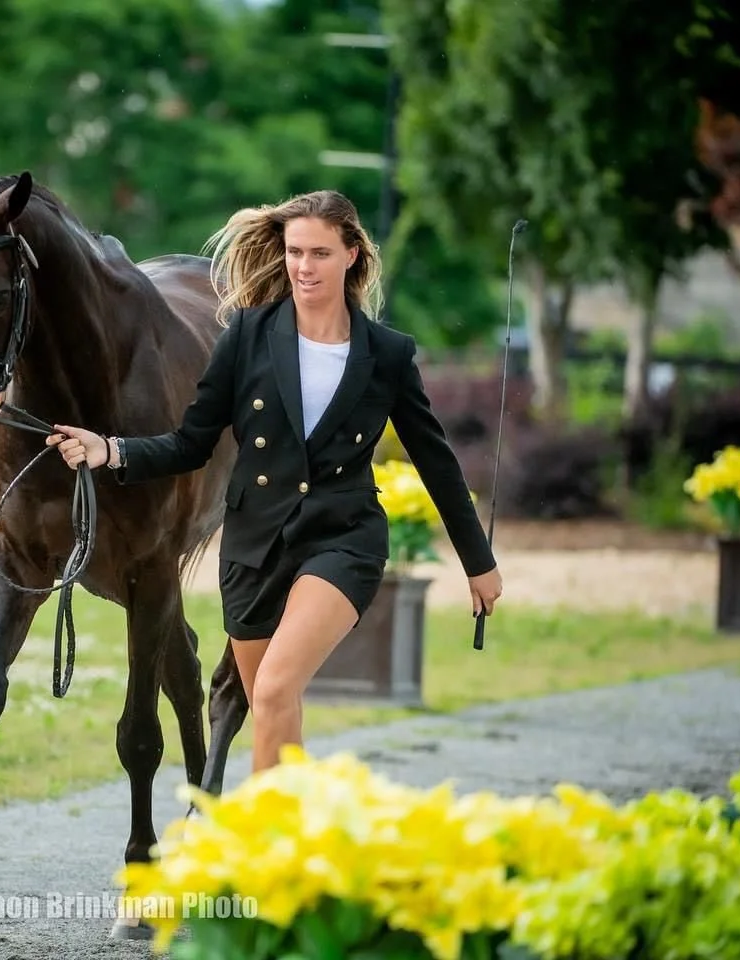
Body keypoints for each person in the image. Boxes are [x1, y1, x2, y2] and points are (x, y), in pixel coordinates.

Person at [46, 190, 503, 774]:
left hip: (342, 537)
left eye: (319, 253)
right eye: (294, 253)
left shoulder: (387, 354)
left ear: (353, 256)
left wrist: (477, 561)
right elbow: (191, 443)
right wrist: (109, 450)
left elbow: (435, 459)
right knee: (273, 708)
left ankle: (261, 854)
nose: (304, 267)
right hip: (254, 547)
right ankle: (290, 841)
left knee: (273, 689)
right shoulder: (247, 337)